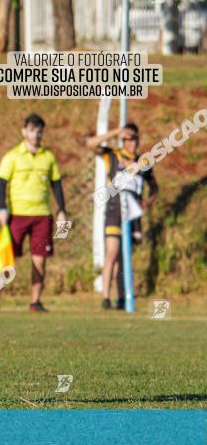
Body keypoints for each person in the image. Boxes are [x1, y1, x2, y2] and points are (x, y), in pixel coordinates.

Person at [0, 113, 67, 313]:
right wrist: (2, 208)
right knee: (8, 260)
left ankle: (35, 301)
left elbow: (56, 186)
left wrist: (62, 210)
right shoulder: (12, 156)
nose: (36, 134)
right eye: (32, 130)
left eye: (39, 131)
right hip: (17, 215)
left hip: (42, 215)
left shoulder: (48, 157)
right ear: (24, 132)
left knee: (39, 260)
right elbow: (1, 184)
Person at [84, 124, 158, 310]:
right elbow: (90, 144)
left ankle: (123, 298)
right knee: (112, 254)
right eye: (128, 138)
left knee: (126, 258)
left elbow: (154, 187)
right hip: (114, 211)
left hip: (133, 216)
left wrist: (147, 202)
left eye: (134, 139)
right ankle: (106, 298)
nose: (132, 143)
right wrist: (115, 132)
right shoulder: (112, 154)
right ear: (122, 140)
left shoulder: (143, 162)